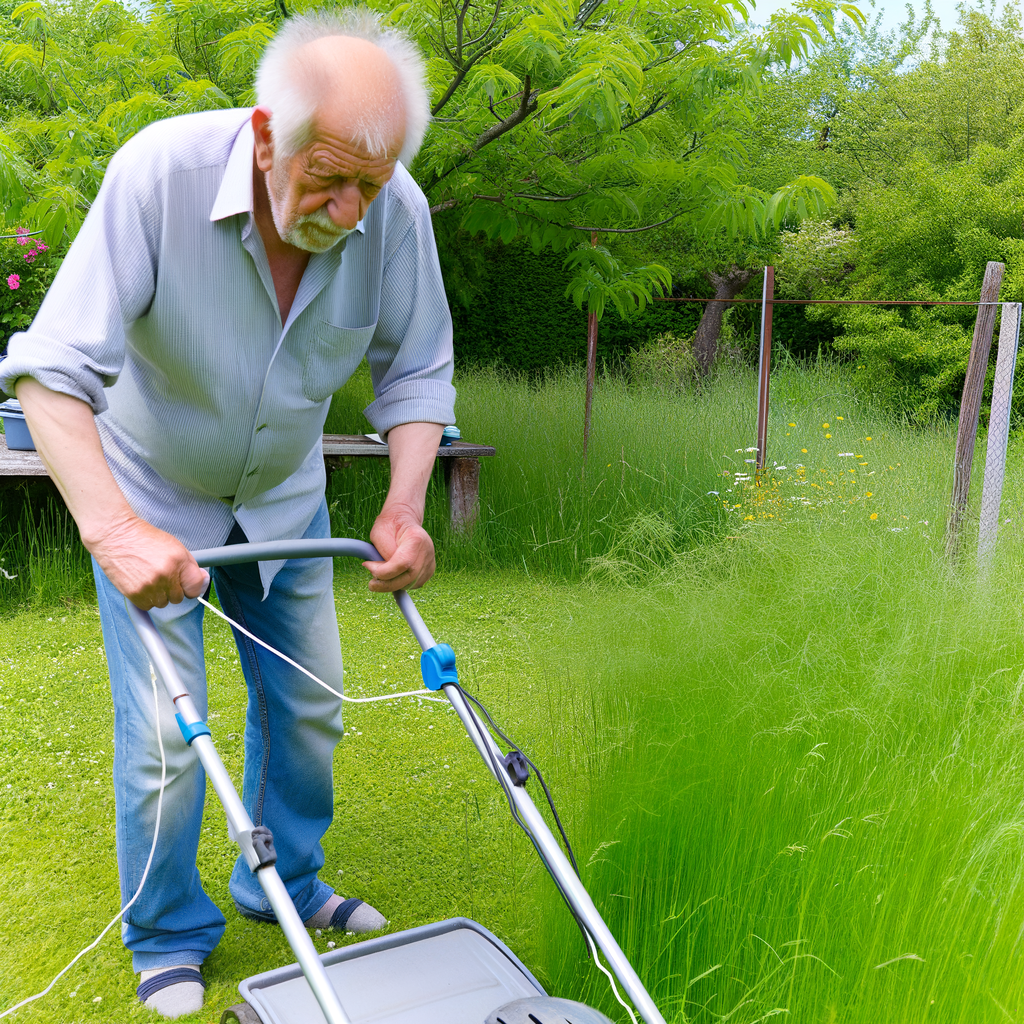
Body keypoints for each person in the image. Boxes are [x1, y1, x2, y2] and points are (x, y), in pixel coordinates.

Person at [0, 9, 454, 1019]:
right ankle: (165, 930)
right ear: (263, 133)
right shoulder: (157, 174)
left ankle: (281, 884)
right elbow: (48, 372)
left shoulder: (395, 208)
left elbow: (416, 368)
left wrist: (406, 501)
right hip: (154, 500)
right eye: (325, 177)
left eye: (366, 189)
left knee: (311, 705)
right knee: (168, 736)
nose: (345, 209)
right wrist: (116, 532)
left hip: (286, 505)